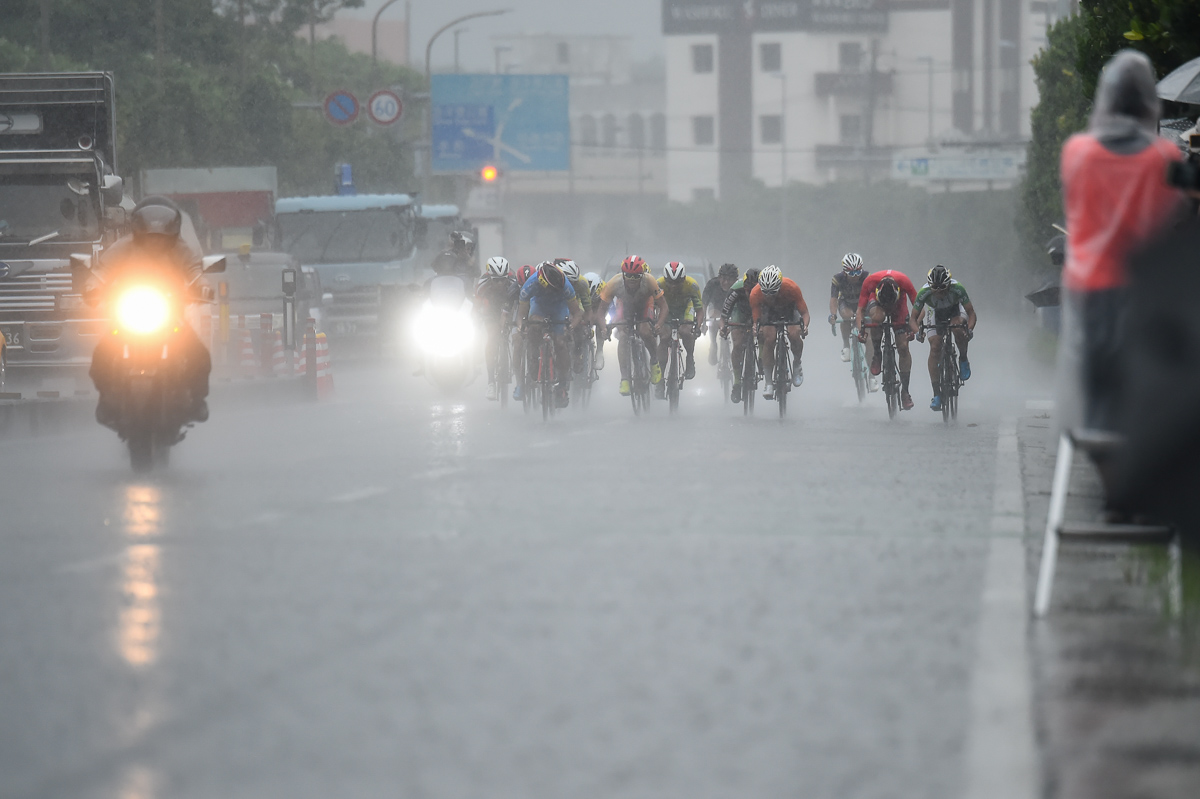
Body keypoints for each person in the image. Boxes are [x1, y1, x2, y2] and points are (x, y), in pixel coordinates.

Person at [1059, 49, 1186, 440]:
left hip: (1090, 288)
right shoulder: (1164, 156)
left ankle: (1103, 462)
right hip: (1146, 290)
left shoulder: (1077, 153)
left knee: (1097, 386)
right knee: (1145, 383)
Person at [88, 196, 212, 427]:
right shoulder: (123, 247)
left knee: (199, 356)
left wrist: (203, 286)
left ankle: (196, 400)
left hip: (171, 318)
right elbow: (102, 271)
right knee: (101, 356)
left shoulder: (180, 250)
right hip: (128, 317)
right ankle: (106, 399)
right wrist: (92, 286)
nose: (155, 240)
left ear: (172, 231)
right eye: (150, 235)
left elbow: (195, 271)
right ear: (138, 228)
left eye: (161, 236)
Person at [595, 255, 668, 397]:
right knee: (623, 335)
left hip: (645, 304)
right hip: (625, 306)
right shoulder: (614, 283)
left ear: (643, 275)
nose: (632, 281)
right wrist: (604, 328)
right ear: (622, 275)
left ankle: (654, 362)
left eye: (636, 277)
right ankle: (625, 379)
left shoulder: (650, 281)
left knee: (645, 331)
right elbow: (601, 311)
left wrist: (659, 324)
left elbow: (664, 306)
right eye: (628, 277)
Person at [515, 261, 583, 408]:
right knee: (533, 328)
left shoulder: (566, 286)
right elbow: (521, 316)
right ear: (542, 283)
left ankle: (562, 384)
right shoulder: (530, 285)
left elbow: (577, 313)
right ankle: (534, 357)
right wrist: (521, 329)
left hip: (559, 308)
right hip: (538, 306)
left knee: (560, 343)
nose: (554, 290)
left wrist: (570, 327)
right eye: (551, 289)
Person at [909, 265, 977, 411]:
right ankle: (937, 394)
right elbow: (913, 318)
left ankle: (963, 358)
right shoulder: (924, 292)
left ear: (949, 285)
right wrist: (917, 332)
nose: (939, 292)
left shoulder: (958, 288)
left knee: (958, 328)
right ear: (930, 286)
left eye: (943, 288)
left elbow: (971, 313)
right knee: (935, 347)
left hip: (955, 310)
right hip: (935, 312)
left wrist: (969, 330)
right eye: (935, 289)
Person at [854, 269, 917, 411]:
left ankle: (905, 391)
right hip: (877, 304)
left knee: (903, 347)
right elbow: (860, 311)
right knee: (877, 318)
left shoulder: (904, 281)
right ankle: (877, 353)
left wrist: (913, 328)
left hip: (899, 305)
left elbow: (919, 309)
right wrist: (862, 331)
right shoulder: (870, 282)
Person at [750, 265, 809, 400]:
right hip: (769, 312)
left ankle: (797, 363)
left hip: (789, 308)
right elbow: (757, 319)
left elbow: (805, 313)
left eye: (773, 292)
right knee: (769, 338)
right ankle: (769, 382)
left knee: (794, 334)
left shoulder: (792, 288)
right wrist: (756, 328)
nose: (769, 296)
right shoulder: (755, 293)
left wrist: (804, 326)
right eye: (766, 293)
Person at [655, 261, 705, 396]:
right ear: (665, 279)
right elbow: (652, 306)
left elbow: (699, 310)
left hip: (685, 309)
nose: (673, 286)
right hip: (666, 310)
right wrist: (655, 324)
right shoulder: (658, 285)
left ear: (684, 279)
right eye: (670, 282)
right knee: (664, 338)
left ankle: (690, 357)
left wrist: (698, 327)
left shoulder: (692, 285)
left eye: (677, 282)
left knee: (685, 331)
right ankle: (659, 379)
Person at [475, 256, 520, 401]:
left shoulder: (514, 281)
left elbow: (522, 302)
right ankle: (491, 382)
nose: (500, 283)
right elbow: (476, 305)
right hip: (492, 310)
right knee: (492, 337)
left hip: (509, 308)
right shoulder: (483, 283)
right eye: (496, 280)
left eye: (503, 279)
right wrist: (475, 318)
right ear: (489, 276)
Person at [719, 268, 760, 403]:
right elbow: (724, 315)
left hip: (758, 311)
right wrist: (723, 327)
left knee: (766, 333)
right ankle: (737, 382)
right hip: (739, 313)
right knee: (737, 344)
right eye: (748, 289)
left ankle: (761, 359)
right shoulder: (736, 289)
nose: (750, 293)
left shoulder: (764, 289)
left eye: (754, 290)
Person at [554, 258, 593, 374]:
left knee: (579, 324)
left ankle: (577, 354)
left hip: (575, 303)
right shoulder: (554, 281)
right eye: (571, 282)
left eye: (575, 282)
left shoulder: (582, 283)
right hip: (557, 303)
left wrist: (587, 324)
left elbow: (587, 308)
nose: (573, 285)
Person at [829, 253, 867, 362]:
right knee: (846, 316)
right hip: (846, 302)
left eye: (857, 272)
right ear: (844, 272)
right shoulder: (838, 278)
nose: (855, 276)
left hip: (862, 302)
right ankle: (846, 346)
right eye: (851, 273)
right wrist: (833, 315)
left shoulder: (867, 276)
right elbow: (834, 299)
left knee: (865, 319)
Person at [702, 263, 739, 365]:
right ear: (719, 277)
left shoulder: (739, 287)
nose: (726, 282)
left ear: (736, 280)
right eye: (723, 279)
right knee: (714, 319)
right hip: (716, 309)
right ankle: (714, 344)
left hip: (733, 310)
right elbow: (704, 304)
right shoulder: (712, 284)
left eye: (730, 279)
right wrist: (703, 322)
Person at [583, 271, 607, 370]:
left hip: (600, 307)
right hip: (585, 307)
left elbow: (608, 308)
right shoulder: (579, 288)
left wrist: (605, 327)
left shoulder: (605, 289)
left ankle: (600, 350)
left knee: (600, 323)